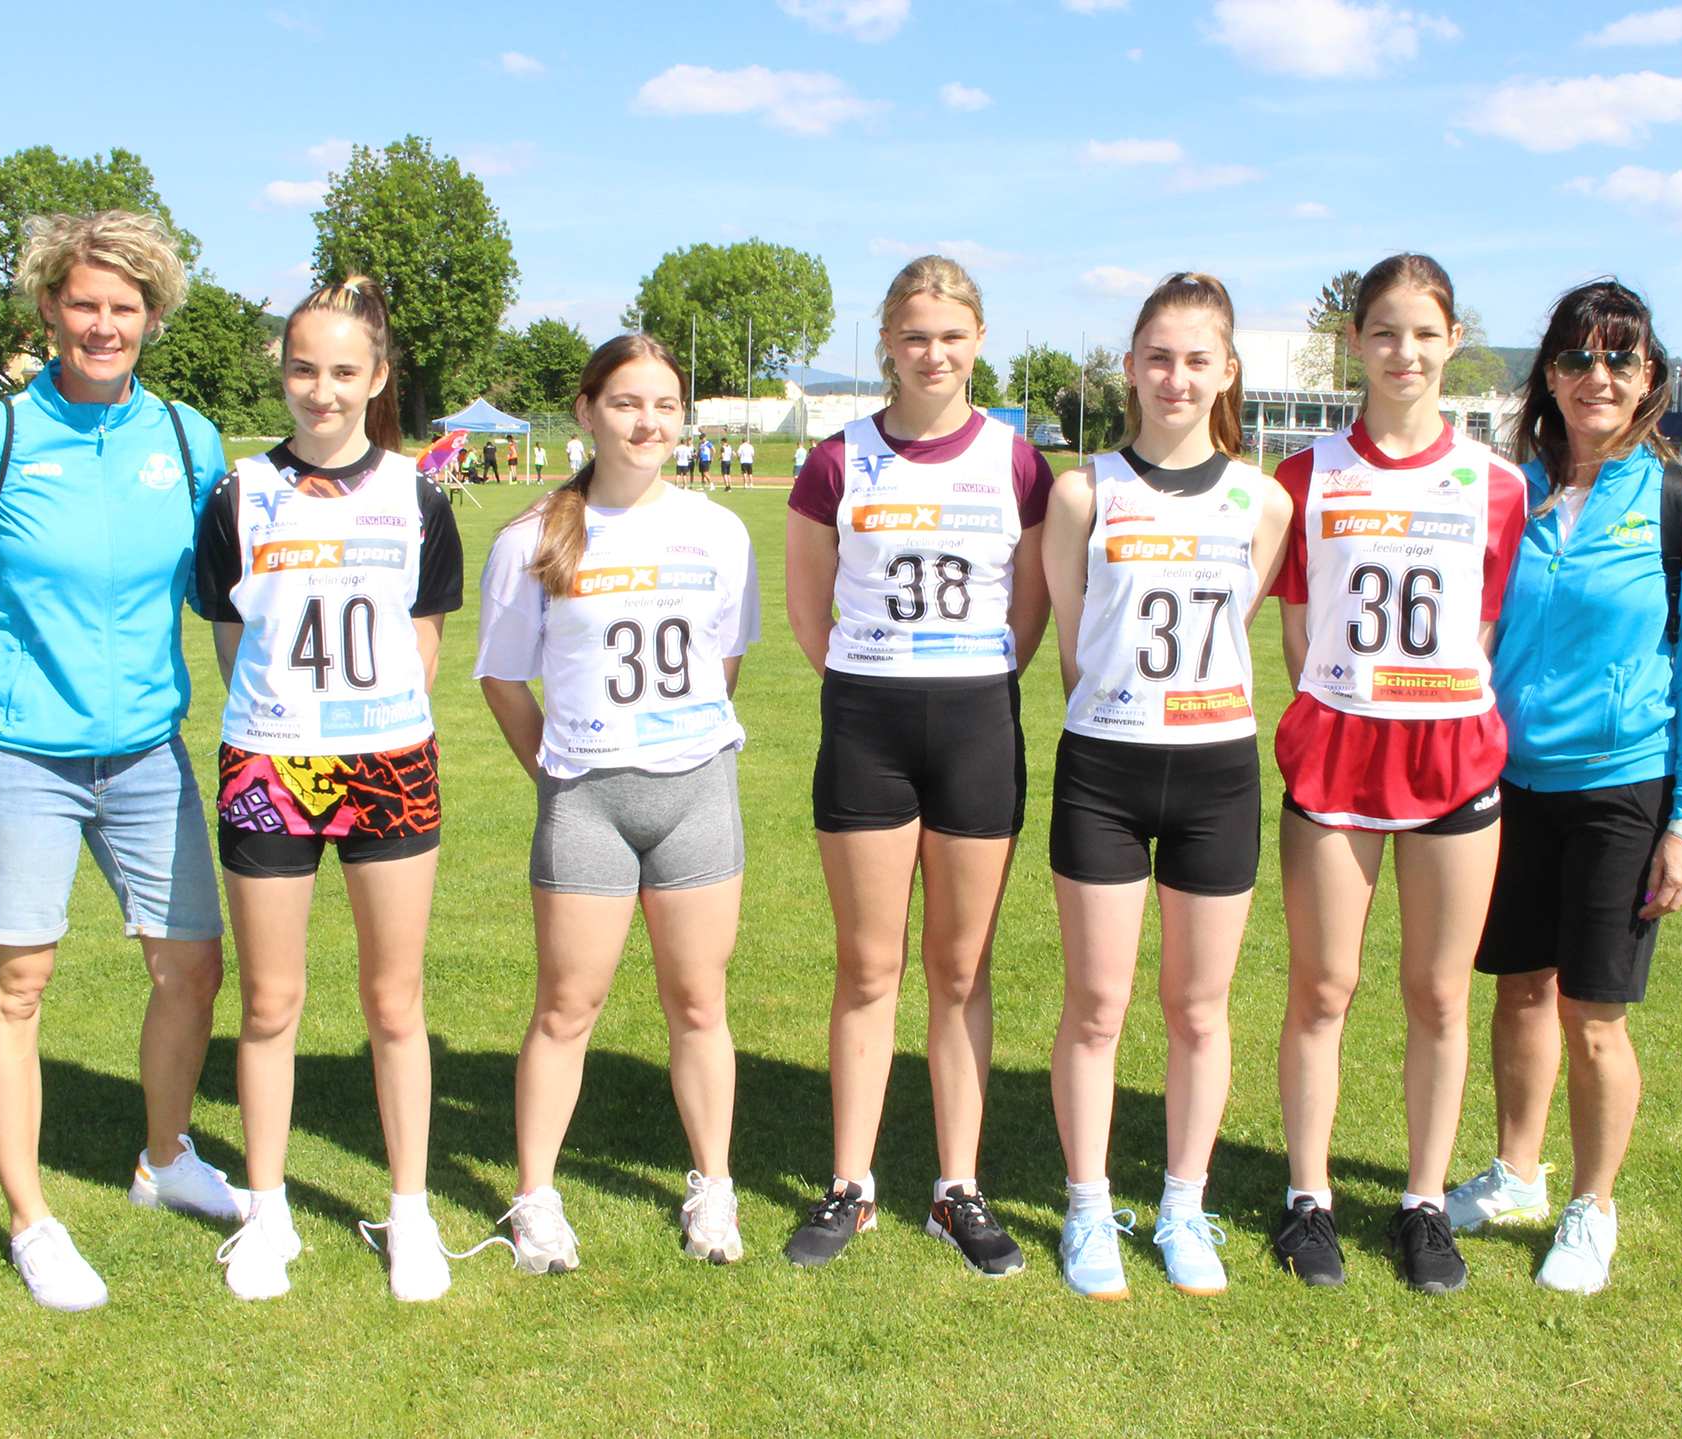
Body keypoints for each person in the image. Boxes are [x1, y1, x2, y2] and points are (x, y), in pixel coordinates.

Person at [0, 210, 238, 1312]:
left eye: (124, 306)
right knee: (19, 983)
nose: (103, 324)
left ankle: (164, 1158)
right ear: (50, 305)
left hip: (146, 752)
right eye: (83, 302)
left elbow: (228, 592)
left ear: (153, 316)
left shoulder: (186, 437)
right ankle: (32, 1220)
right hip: (12, 751)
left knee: (192, 969)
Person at [195, 275, 488, 1302]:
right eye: (302, 369)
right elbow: (233, 644)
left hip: (388, 765)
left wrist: (365, 730)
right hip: (269, 764)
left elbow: (424, 644)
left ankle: (410, 1211)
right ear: (282, 374)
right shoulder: (237, 494)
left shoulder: (416, 495)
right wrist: (295, 729)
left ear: (377, 378)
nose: (321, 390)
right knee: (269, 999)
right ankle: (268, 1211)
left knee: (395, 1000)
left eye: (343, 371)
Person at [1444, 279, 1682, 1294]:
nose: (1596, 377)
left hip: (1622, 790)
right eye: (1576, 357)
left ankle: (1590, 1205)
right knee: (1518, 989)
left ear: (1649, 377)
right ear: (1549, 377)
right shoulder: (1510, 493)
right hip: (1507, 785)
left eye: (1618, 358)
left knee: (1593, 1012)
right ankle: (1516, 1173)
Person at [782, 255, 1053, 1275]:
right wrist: (874, 675)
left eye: (950, 335)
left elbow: (1028, 611)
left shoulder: (1018, 463)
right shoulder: (836, 460)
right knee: (867, 964)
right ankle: (850, 1184)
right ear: (887, 343)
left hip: (976, 720)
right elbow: (807, 606)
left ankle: (956, 1187)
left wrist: (965, 675)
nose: (932, 353)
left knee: (960, 966)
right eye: (913, 336)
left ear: (977, 340)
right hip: (867, 722)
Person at [1268, 253, 1527, 1294]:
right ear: (1354, 341)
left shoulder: (1497, 483)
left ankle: (1422, 1202)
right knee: (1322, 985)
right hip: (1338, 749)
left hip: (1451, 755)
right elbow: (1298, 630)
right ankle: (1308, 1197)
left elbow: (1483, 627)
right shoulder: (1305, 477)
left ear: (1453, 341)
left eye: (1423, 333)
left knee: (1436, 991)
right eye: (1383, 331)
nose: (1403, 352)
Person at [477, 334, 759, 1273]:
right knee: (567, 1005)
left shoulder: (720, 530)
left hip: (696, 795)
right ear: (587, 411)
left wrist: (672, 738)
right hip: (586, 800)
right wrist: (559, 771)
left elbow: (724, 661)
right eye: (627, 403)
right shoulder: (531, 537)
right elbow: (503, 678)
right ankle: (535, 1197)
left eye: (665, 405)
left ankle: (714, 1186)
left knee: (700, 1000)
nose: (648, 422)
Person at [1042, 274, 1292, 1300]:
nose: (1175, 377)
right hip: (1104, 766)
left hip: (1216, 773)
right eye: (1157, 356)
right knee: (1097, 1002)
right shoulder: (1082, 492)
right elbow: (1075, 645)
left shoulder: (1263, 500)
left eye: (1196, 359)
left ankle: (1183, 1205)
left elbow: (1240, 626)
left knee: (1197, 1005)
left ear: (1226, 370)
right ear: (1129, 367)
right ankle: (1087, 1204)